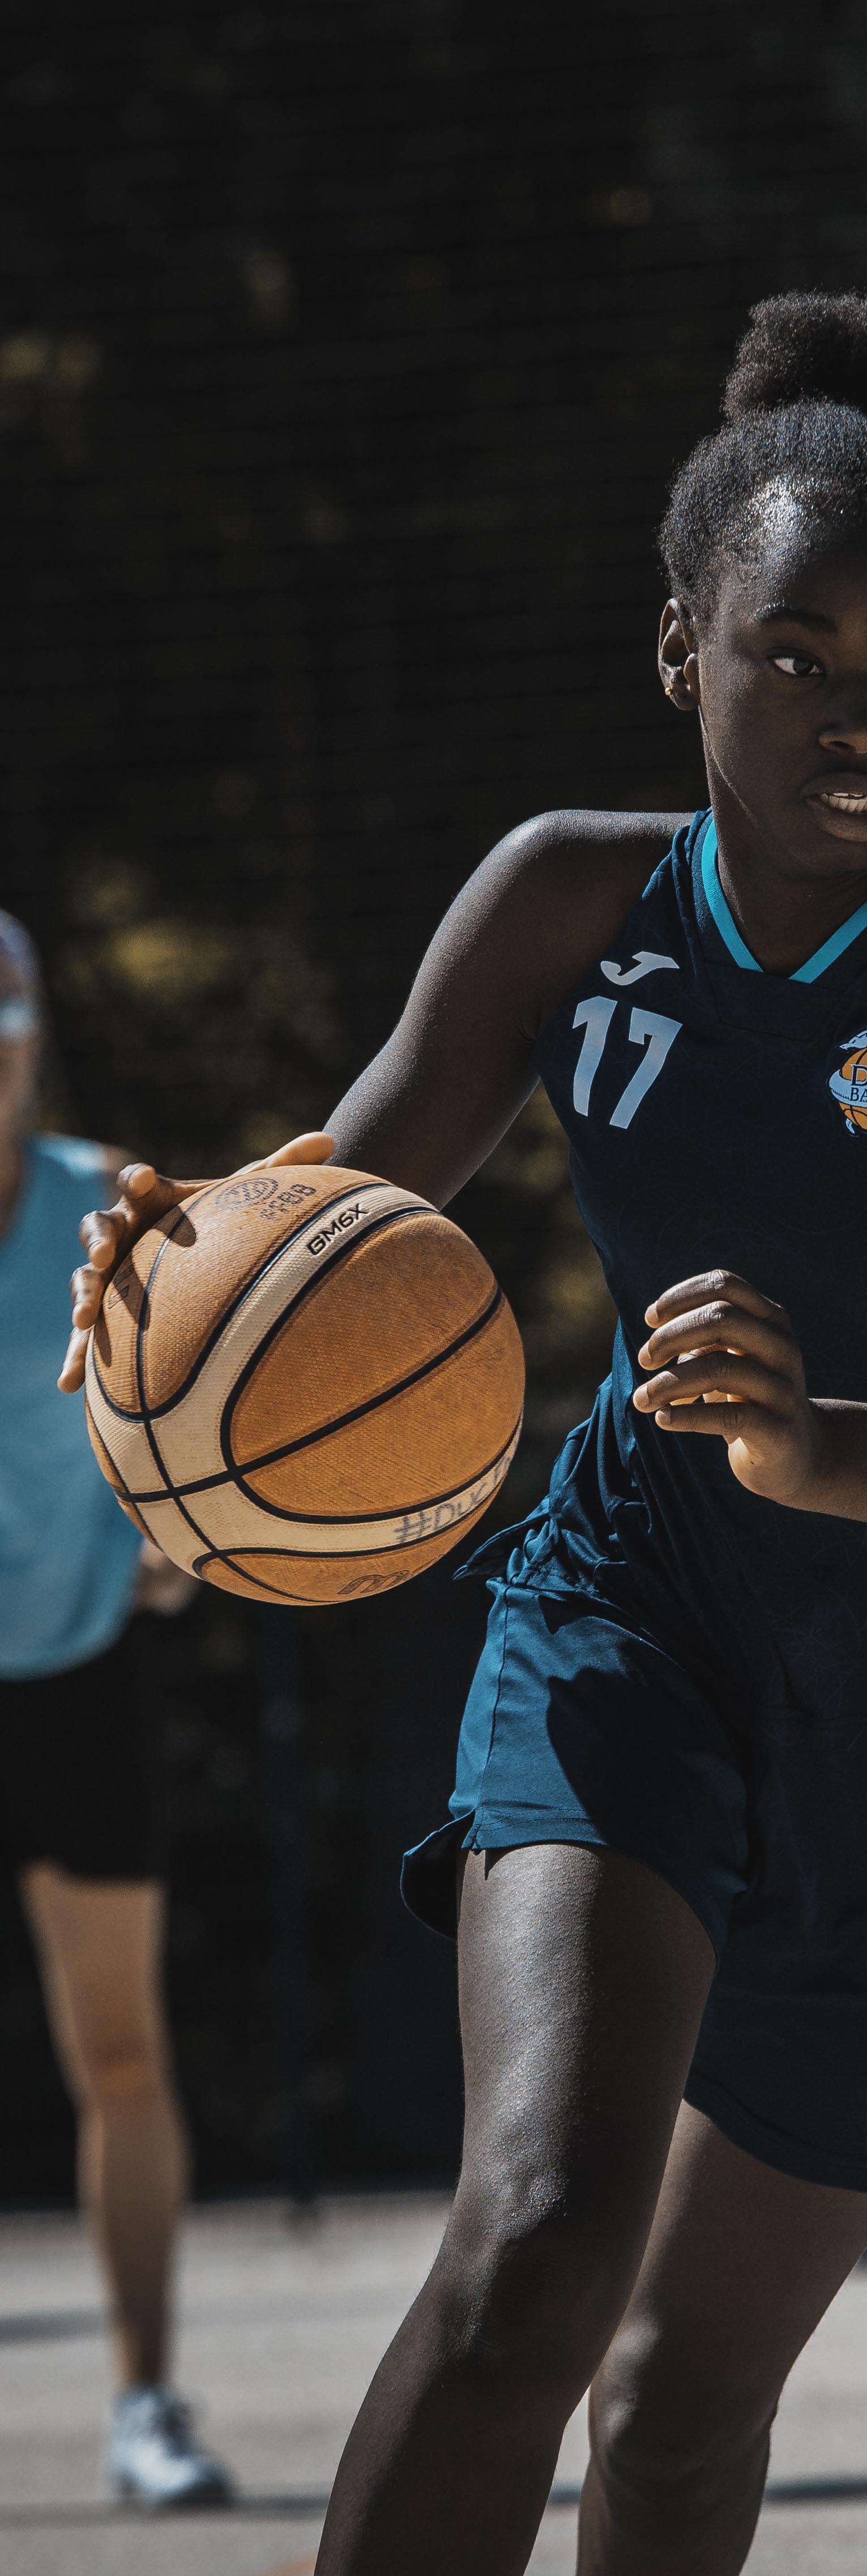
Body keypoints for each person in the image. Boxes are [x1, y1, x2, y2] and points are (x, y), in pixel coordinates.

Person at [63, 292, 867, 2576]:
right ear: (680, 647)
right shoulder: (565, 905)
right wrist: (175, 1283)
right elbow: (331, 1225)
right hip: (635, 1618)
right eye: (796, 655)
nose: (861, 713)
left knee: (680, 2416)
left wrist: (829, 1446)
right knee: (529, 2260)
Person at [0, 910, 234, 2509]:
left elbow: (206, 1399)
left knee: (120, 2051)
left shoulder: (108, 1208)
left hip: (82, 1667)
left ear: (30, 1043)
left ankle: (146, 2402)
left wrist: (183, 1538)